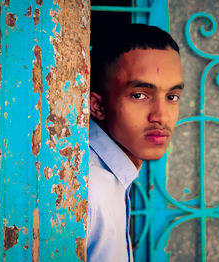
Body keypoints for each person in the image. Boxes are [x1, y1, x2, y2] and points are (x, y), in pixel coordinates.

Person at [87, 23, 184, 262]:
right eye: (139, 95)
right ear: (98, 106)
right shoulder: (91, 190)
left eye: (172, 97)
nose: (161, 116)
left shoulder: (112, 177)